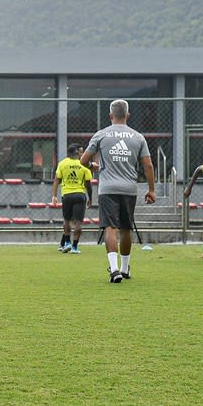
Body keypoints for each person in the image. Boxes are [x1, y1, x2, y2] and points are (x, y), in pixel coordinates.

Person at [80, 99, 155, 283]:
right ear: (128, 115)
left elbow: (83, 161)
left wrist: (92, 165)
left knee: (110, 227)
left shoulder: (101, 135)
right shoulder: (138, 137)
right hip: (129, 189)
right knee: (126, 228)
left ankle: (114, 270)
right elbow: (148, 165)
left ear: (110, 116)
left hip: (108, 189)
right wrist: (151, 189)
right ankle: (125, 268)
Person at [52, 143, 93, 254]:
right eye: (81, 151)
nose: (82, 153)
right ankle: (74, 247)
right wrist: (90, 198)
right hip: (80, 195)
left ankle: (66, 243)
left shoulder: (62, 164)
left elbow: (56, 180)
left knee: (67, 220)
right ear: (76, 152)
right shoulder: (84, 165)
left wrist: (54, 196)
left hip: (67, 195)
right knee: (78, 222)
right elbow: (88, 184)